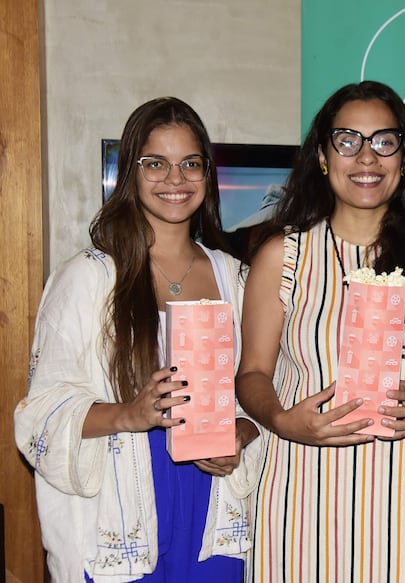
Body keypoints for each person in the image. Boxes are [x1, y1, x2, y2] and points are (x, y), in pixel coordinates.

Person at [236, 80, 405, 582]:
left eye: (384, 142)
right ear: (324, 156)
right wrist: (283, 420)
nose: (367, 157)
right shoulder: (283, 255)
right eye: (348, 140)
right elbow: (252, 374)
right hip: (299, 501)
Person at [14, 97, 261, 582]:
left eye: (190, 163)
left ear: (207, 175)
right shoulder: (87, 279)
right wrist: (132, 412)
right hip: (121, 501)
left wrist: (242, 432)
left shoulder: (236, 278)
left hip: (212, 503)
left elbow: (262, 388)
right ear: (130, 172)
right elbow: (40, 412)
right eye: (156, 164)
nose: (175, 179)